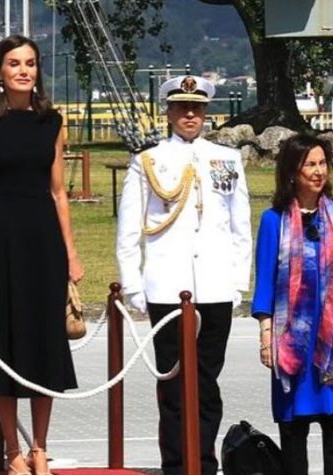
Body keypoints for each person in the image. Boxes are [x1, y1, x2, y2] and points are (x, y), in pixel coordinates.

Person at [115, 75, 252, 475]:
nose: (189, 114)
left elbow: (239, 223)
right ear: (169, 112)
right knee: (173, 383)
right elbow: (128, 227)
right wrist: (133, 284)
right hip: (167, 285)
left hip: (214, 285)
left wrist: (237, 283)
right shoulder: (149, 160)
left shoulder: (226, 159)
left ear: (206, 112)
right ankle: (176, 464)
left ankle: (203, 463)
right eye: (181, 107)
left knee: (207, 382)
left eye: (196, 107)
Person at [0, 35, 83, 475]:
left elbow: (58, 192)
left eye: (30, 63)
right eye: (14, 63)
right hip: (2, 241)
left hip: (44, 242)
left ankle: (41, 448)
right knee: (5, 341)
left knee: (44, 345)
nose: (23, 71)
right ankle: (12, 449)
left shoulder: (52, 121)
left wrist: (71, 252)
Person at [252, 134, 333, 474]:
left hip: (329, 342)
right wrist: (266, 334)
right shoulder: (274, 221)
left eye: (322, 163)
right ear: (291, 172)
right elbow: (266, 283)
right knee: (294, 426)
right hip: (291, 341)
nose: (318, 172)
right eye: (309, 165)